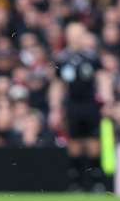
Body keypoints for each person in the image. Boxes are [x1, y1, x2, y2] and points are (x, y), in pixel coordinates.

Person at [49, 22, 114, 191]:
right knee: (74, 143)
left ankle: (96, 182)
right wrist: (55, 108)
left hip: (90, 104)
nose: (77, 37)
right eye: (74, 33)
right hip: (72, 105)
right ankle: (76, 182)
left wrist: (107, 101)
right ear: (68, 36)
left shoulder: (92, 57)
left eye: (80, 33)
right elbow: (57, 85)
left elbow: (103, 79)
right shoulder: (62, 58)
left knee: (93, 142)